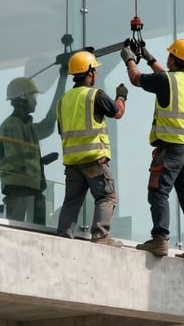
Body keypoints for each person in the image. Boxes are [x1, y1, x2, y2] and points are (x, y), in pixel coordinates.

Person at [121, 38, 184, 263]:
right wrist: (149, 58)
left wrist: (129, 59)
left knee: (158, 192)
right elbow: (166, 79)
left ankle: (160, 239)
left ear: (173, 59)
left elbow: (136, 79)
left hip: (169, 149)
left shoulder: (166, 80)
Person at [55, 50, 128, 246]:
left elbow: (61, 131)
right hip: (94, 160)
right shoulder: (95, 95)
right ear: (88, 72)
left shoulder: (62, 101)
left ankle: (63, 238)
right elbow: (117, 112)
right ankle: (100, 235)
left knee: (71, 202)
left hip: (72, 163)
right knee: (106, 196)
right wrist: (121, 96)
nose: (96, 73)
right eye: (94, 70)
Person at [0, 75, 62, 224]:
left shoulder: (18, 125)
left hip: (26, 189)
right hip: (21, 190)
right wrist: (62, 78)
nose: (36, 101)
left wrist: (40, 161)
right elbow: (48, 125)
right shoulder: (14, 126)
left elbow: (18, 157)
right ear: (22, 99)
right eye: (33, 97)